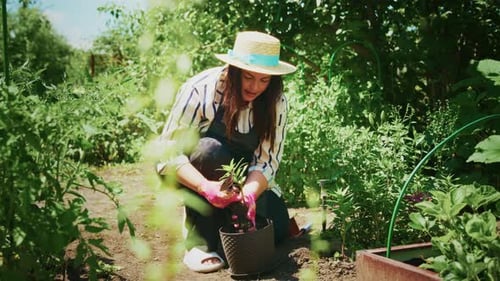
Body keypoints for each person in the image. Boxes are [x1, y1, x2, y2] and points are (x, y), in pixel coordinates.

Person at [156, 31, 297, 273]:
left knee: (279, 227)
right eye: (249, 77)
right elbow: (166, 154)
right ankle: (199, 239)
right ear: (234, 71)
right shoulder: (200, 90)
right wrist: (204, 187)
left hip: (245, 178)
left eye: (264, 80)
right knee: (209, 151)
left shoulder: (276, 102)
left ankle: (224, 225)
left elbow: (267, 161)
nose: (255, 87)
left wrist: (250, 194)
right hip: (202, 171)